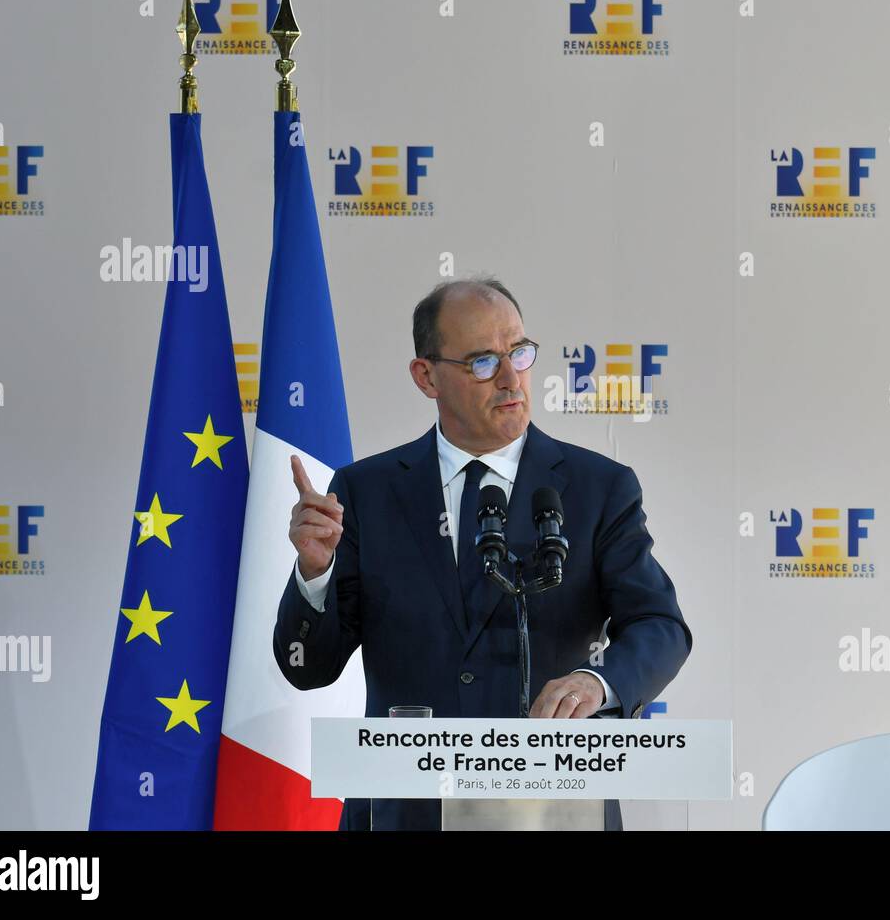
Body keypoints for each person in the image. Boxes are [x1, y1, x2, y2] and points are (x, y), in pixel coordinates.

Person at [272, 275, 692, 830]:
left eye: (519, 352)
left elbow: (660, 625)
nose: (513, 378)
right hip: (403, 813)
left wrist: (599, 682)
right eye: (483, 362)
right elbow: (309, 669)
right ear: (427, 376)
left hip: (552, 810)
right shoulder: (364, 493)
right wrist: (315, 572)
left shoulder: (598, 487)